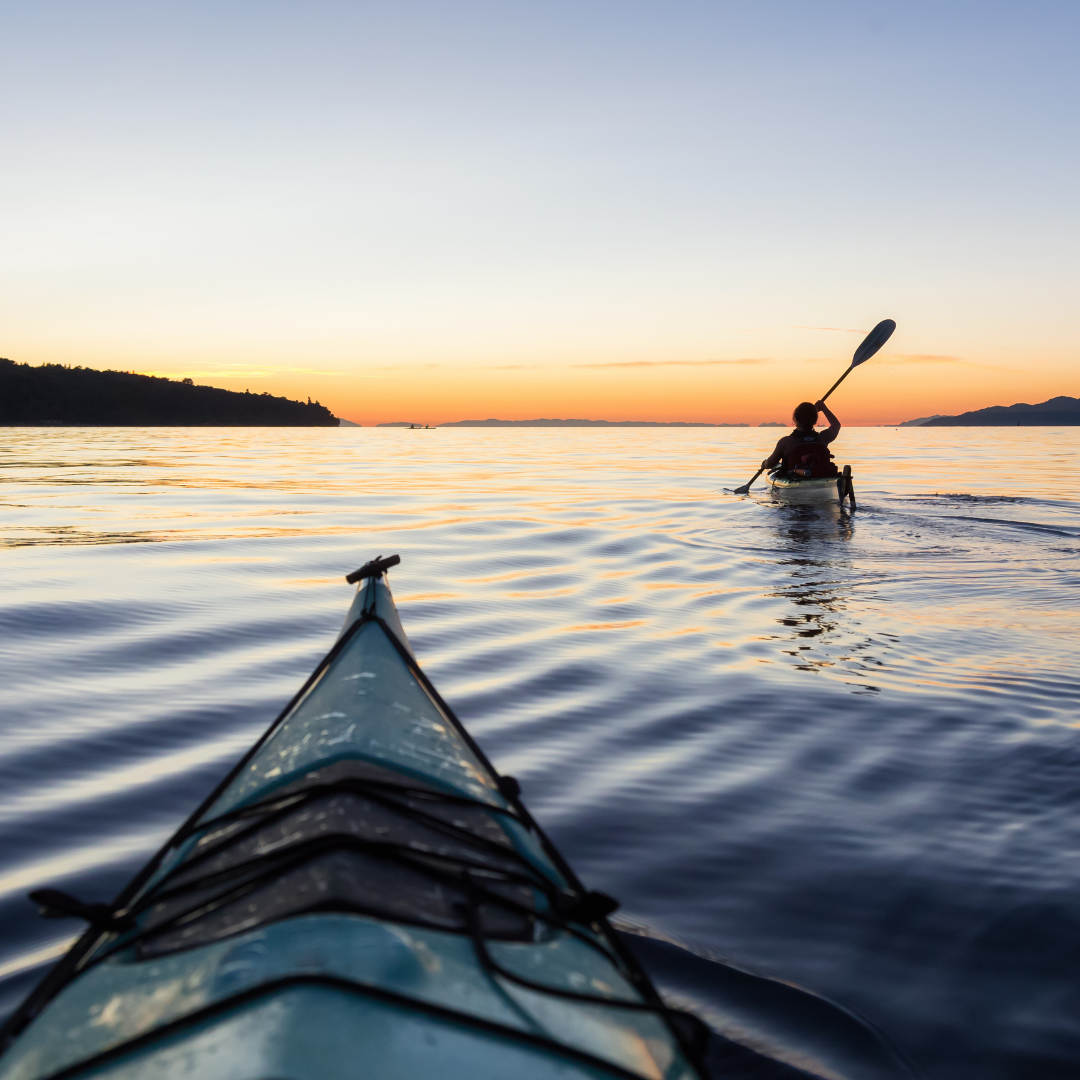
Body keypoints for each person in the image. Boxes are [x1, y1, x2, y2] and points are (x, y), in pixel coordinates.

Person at [762, 400, 841, 478]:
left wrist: (764, 464)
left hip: (794, 481)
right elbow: (836, 425)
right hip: (821, 478)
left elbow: (770, 464)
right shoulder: (823, 438)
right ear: (815, 420)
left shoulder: (785, 442)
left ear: (795, 418)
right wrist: (823, 408)